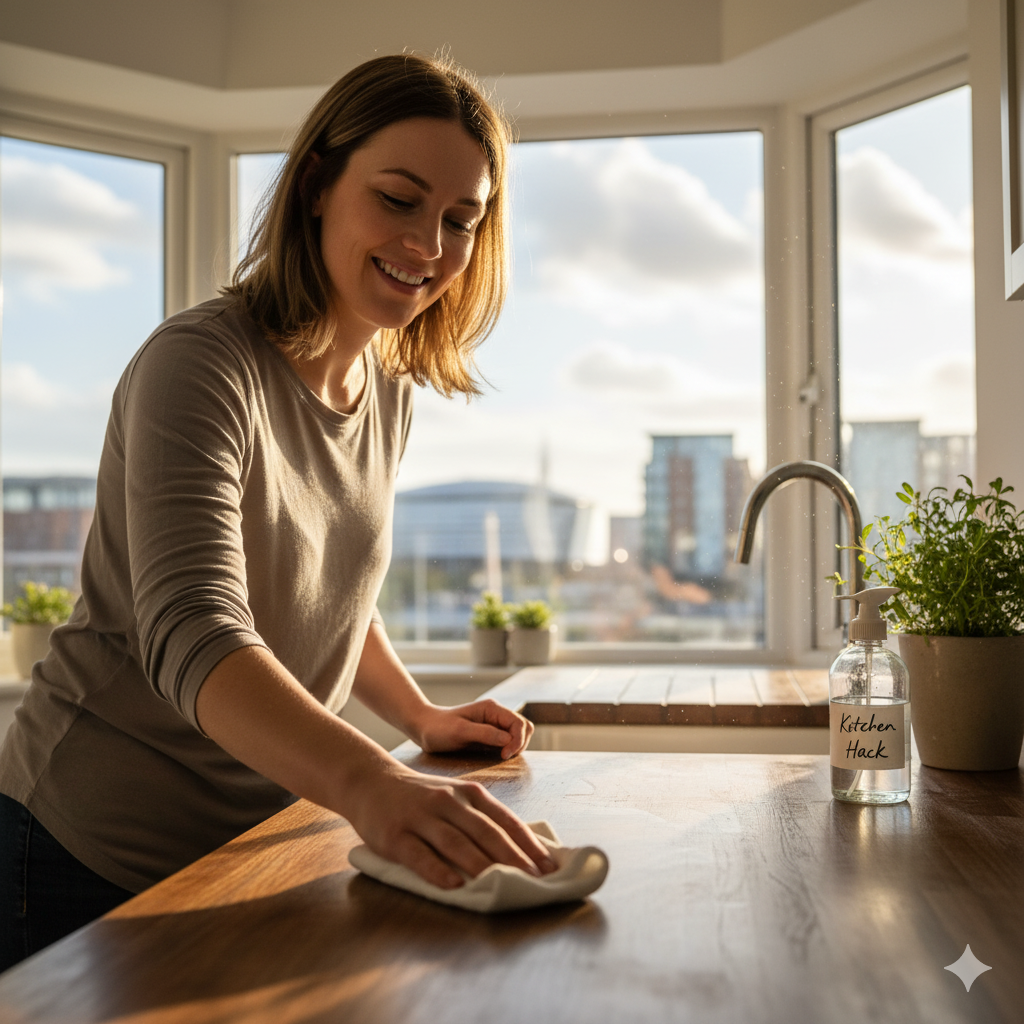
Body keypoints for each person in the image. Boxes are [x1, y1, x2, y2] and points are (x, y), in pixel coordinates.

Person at [0, 53, 555, 972]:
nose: (430, 244)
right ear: (315, 188)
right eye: (399, 199)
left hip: (253, 841)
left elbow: (328, 588)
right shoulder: (199, 365)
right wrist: (372, 782)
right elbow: (194, 629)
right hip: (81, 848)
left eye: (463, 220)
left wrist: (415, 717)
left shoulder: (388, 388)